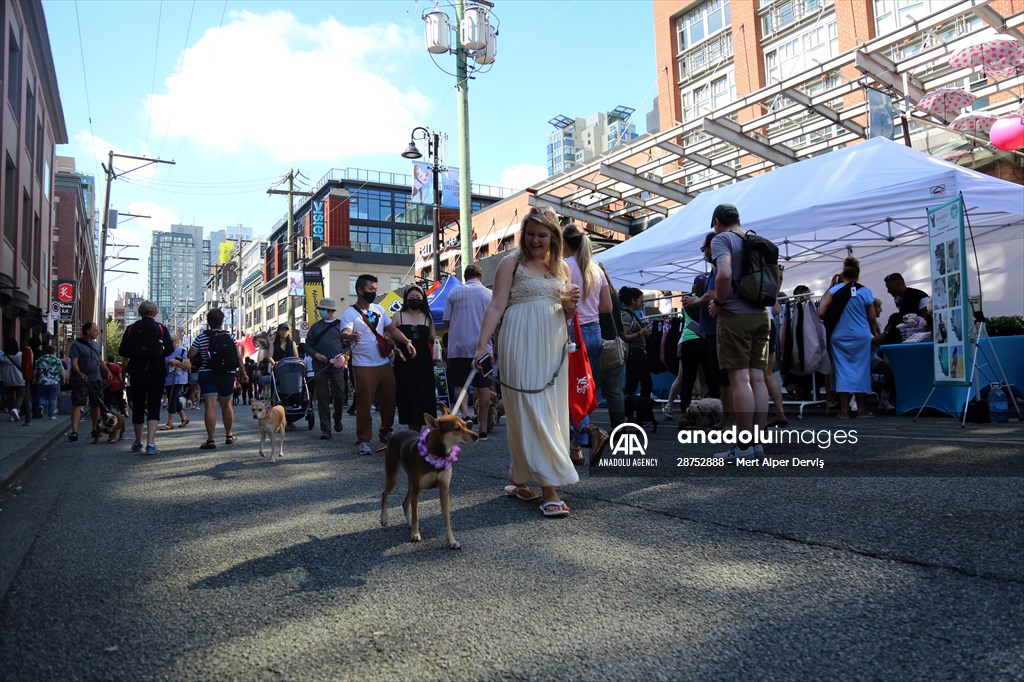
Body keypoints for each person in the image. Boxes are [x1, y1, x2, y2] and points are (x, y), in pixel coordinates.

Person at [473, 206, 581, 517]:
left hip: (553, 341)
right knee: (531, 407)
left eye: (542, 235)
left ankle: (519, 477)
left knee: (549, 409)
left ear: (554, 237)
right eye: (530, 234)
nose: (535, 241)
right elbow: (496, 306)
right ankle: (549, 487)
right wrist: (482, 345)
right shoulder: (511, 263)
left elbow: (569, 315)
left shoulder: (564, 268)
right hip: (518, 339)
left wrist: (570, 306)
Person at [707, 203, 770, 458]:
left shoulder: (721, 239)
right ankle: (756, 444)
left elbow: (724, 274)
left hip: (734, 316)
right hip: (760, 315)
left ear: (716, 222)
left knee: (740, 380)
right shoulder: (756, 239)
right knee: (758, 379)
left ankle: (743, 446)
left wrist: (719, 303)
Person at [340, 275, 417, 456]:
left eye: (375, 289)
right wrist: (350, 336)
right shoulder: (350, 313)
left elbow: (392, 330)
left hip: (384, 363)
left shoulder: (379, 309)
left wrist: (407, 342)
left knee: (389, 400)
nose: (374, 292)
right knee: (364, 404)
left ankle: (385, 431)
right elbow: (345, 331)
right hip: (363, 364)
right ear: (360, 290)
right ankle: (363, 440)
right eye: (371, 289)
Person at [561, 224, 612, 464]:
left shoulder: (566, 267)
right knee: (585, 387)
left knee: (572, 390)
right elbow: (607, 308)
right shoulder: (596, 269)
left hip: (573, 333)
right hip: (595, 332)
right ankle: (577, 447)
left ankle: (588, 435)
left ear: (564, 244)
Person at [682, 233, 731, 428]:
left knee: (724, 380)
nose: (705, 253)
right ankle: (728, 419)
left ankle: (729, 420)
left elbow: (714, 293)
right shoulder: (718, 268)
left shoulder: (720, 267)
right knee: (720, 378)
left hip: (715, 332)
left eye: (705, 249)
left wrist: (698, 301)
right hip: (711, 333)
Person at [819, 257, 877, 418]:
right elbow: (872, 317)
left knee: (841, 371)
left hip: (839, 336)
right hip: (860, 335)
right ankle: (861, 410)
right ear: (857, 275)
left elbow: (821, 313)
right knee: (861, 371)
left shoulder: (833, 291)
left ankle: (844, 410)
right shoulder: (865, 291)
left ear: (843, 274)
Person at [444, 263, 495, 438]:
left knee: (460, 385)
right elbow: (496, 322)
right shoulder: (489, 294)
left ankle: (465, 416)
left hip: (457, 346)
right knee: (484, 387)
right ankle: (482, 427)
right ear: (480, 276)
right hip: (482, 347)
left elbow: (447, 322)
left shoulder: (453, 293)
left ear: (465, 277)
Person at [119, 301, 175, 454]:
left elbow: (122, 351)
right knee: (154, 405)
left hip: (137, 371)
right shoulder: (160, 328)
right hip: (156, 371)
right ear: (155, 313)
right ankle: (151, 443)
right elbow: (170, 349)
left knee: (138, 405)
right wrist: (157, 355)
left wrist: (136, 354)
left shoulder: (131, 329)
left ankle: (138, 442)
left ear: (140, 313)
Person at [188, 308, 248, 450]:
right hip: (227, 373)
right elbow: (239, 357)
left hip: (207, 373)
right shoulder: (229, 337)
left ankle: (211, 440)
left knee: (210, 406)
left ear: (208, 322)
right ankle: (229, 435)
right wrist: (243, 373)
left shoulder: (201, 337)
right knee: (227, 405)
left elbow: (191, 354)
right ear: (222, 322)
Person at [391, 285, 437, 433]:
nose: (415, 301)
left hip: (423, 360)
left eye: (418, 298)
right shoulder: (399, 315)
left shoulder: (427, 316)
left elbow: (431, 336)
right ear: (405, 299)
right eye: (411, 298)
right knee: (408, 393)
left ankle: (427, 430)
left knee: (425, 393)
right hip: (404, 361)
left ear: (423, 299)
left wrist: (437, 342)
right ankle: (413, 430)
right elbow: (389, 336)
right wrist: (395, 348)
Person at [306, 298, 349, 441]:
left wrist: (343, 356)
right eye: (320, 310)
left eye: (324, 310)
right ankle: (326, 429)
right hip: (320, 366)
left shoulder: (341, 325)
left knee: (339, 395)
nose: (321, 312)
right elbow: (308, 345)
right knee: (322, 398)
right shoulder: (315, 327)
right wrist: (316, 354)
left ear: (331, 311)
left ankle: (337, 418)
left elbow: (348, 345)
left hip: (337, 366)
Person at [68, 322, 111, 442]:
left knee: (96, 404)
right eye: (95, 330)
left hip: (96, 379)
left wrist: (107, 370)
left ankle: (95, 429)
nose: (98, 332)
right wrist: (79, 373)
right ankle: (74, 431)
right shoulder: (76, 345)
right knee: (78, 403)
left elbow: (100, 361)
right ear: (87, 331)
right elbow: (74, 362)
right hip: (81, 379)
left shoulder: (96, 345)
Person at [620, 286, 655, 423]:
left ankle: (641, 412)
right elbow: (623, 336)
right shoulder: (627, 315)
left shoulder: (632, 315)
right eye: (641, 300)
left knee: (645, 383)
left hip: (639, 352)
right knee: (633, 385)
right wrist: (641, 333)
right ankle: (631, 414)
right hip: (634, 353)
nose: (642, 303)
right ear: (633, 300)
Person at [161, 343, 191, 430]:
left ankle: (170, 422)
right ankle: (184, 418)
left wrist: (177, 363)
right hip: (167, 379)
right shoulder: (164, 352)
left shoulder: (181, 351)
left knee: (172, 399)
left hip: (178, 378)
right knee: (174, 398)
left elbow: (188, 365)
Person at [33, 344, 66, 419]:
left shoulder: (40, 359)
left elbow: (35, 370)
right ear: (54, 352)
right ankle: (51, 415)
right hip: (54, 382)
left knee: (42, 396)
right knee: (52, 398)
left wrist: (34, 378)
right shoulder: (57, 360)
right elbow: (62, 371)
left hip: (42, 381)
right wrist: (63, 379)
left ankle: (41, 406)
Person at [1, 339, 25, 422]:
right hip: (19, 378)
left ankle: (12, 415)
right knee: (21, 394)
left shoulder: (2, 356)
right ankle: (16, 409)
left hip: (6, 378)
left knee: (10, 397)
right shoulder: (20, 355)